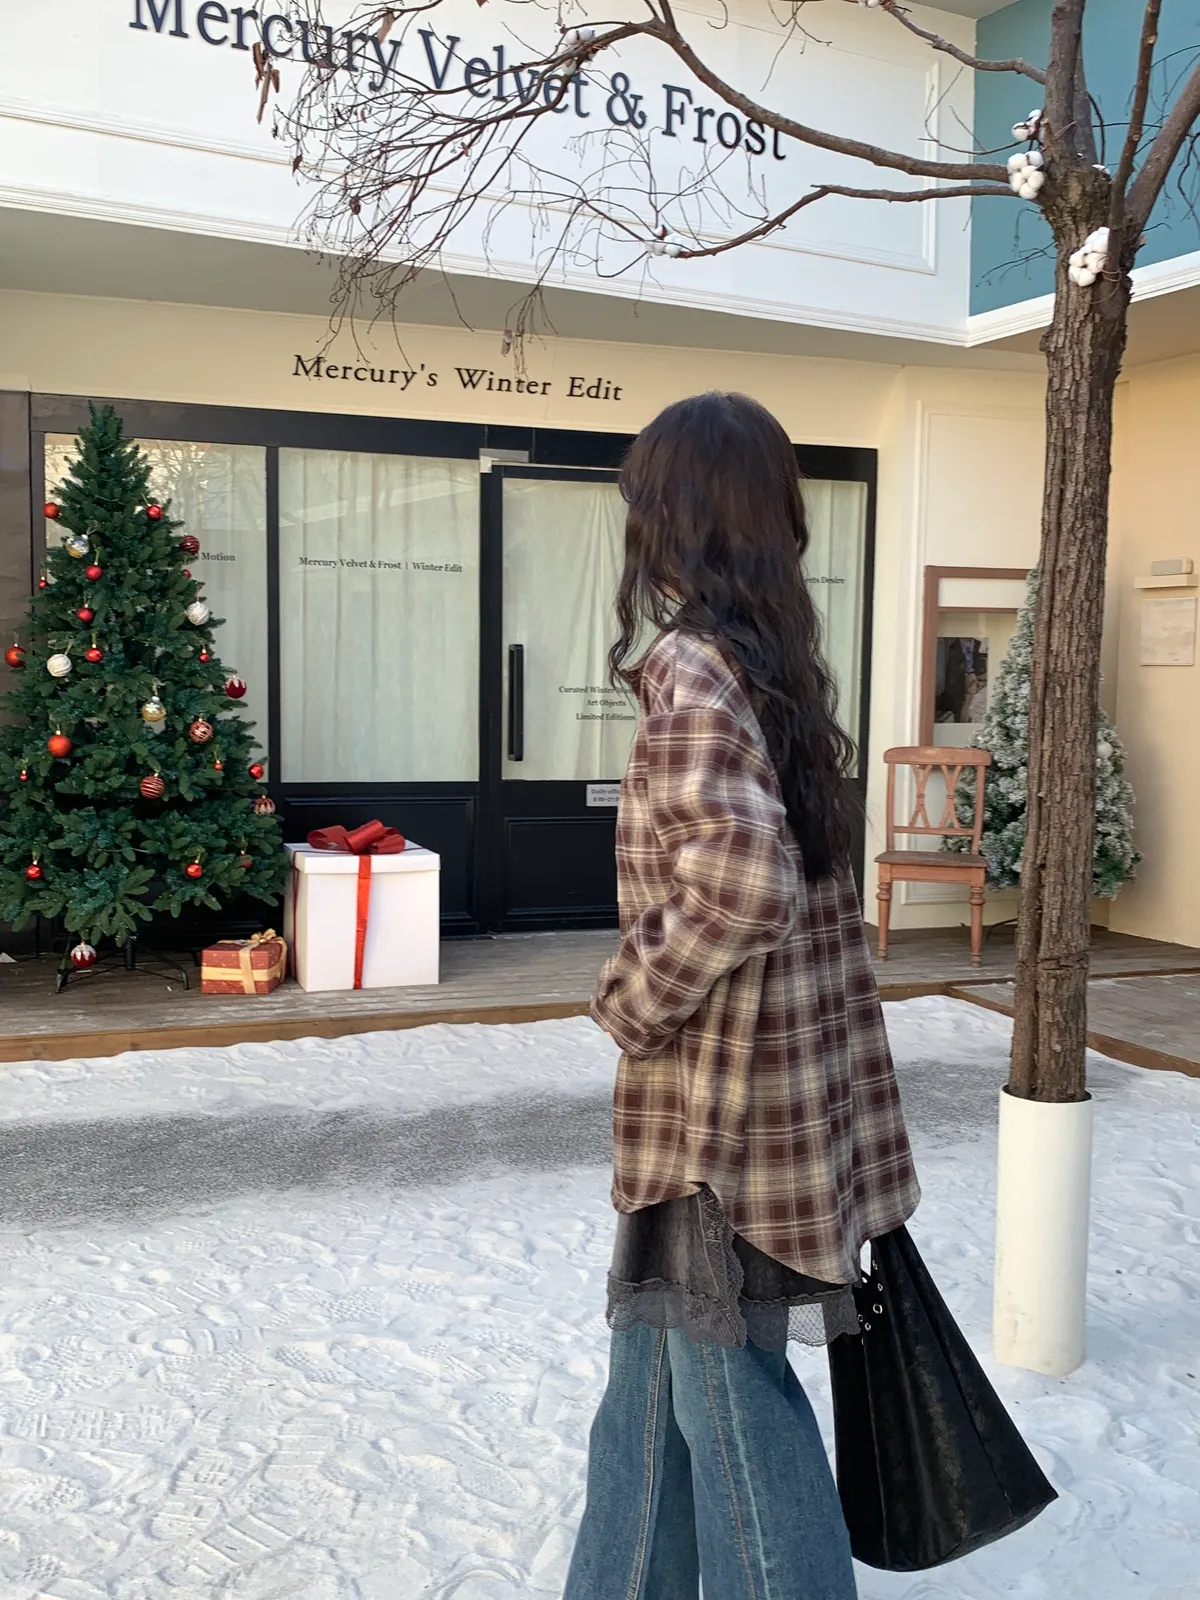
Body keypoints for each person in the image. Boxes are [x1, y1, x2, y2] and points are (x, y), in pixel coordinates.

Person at [563, 393, 920, 1600]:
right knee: (651, 1390)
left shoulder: (692, 669)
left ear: (675, 518)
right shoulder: (773, 674)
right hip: (763, 1116)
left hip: (716, 1131)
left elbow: (743, 878)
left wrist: (631, 997)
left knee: (731, 1413)